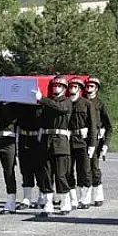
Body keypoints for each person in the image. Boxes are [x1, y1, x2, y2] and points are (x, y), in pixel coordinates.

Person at [33, 75, 73, 217]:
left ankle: (65, 202)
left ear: (64, 89)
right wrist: (37, 103)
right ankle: (48, 203)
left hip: (60, 142)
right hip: (46, 141)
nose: (56, 88)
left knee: (61, 175)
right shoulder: (47, 103)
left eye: (59, 86)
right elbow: (39, 119)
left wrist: (42, 99)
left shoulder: (67, 101)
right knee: (46, 175)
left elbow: (60, 108)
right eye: (55, 86)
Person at [66, 77, 98, 210]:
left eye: (75, 87)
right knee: (67, 171)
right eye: (70, 87)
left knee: (84, 171)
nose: (72, 89)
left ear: (79, 89)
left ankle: (85, 198)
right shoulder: (66, 103)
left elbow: (92, 126)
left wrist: (92, 144)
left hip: (83, 143)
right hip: (68, 141)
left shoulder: (86, 104)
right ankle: (73, 199)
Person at [85, 77, 112, 207]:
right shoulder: (81, 101)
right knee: (84, 169)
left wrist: (105, 145)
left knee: (94, 168)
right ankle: (85, 197)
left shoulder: (100, 104)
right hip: (82, 139)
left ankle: (98, 195)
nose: (89, 88)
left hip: (96, 140)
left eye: (91, 86)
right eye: (87, 86)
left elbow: (109, 127)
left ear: (96, 88)